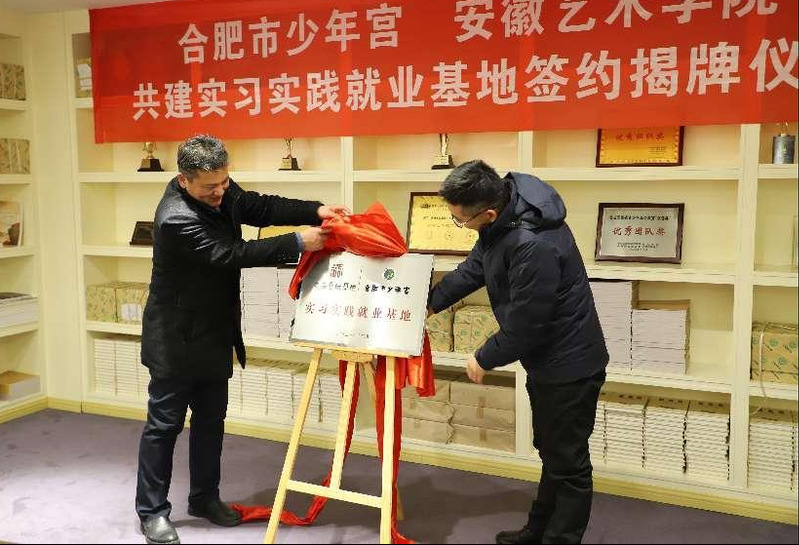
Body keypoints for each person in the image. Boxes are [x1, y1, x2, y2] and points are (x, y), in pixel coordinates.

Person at [135, 134, 348, 545]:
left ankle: (204, 498)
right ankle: (152, 511)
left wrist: (316, 210)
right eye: (209, 187)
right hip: (175, 339)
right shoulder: (175, 218)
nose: (221, 192)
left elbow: (259, 206)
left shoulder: (222, 189)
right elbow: (231, 253)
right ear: (183, 180)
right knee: (164, 426)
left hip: (214, 331)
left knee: (211, 422)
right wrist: (297, 242)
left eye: (224, 182)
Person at [427, 160, 608, 545]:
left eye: (461, 220)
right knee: (552, 452)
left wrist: (484, 357)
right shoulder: (504, 217)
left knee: (569, 463)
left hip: (570, 364)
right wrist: (430, 303)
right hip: (549, 361)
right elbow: (473, 269)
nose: (461, 225)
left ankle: (559, 538)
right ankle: (538, 530)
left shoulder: (532, 242)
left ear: (488, 213)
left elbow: (528, 323)